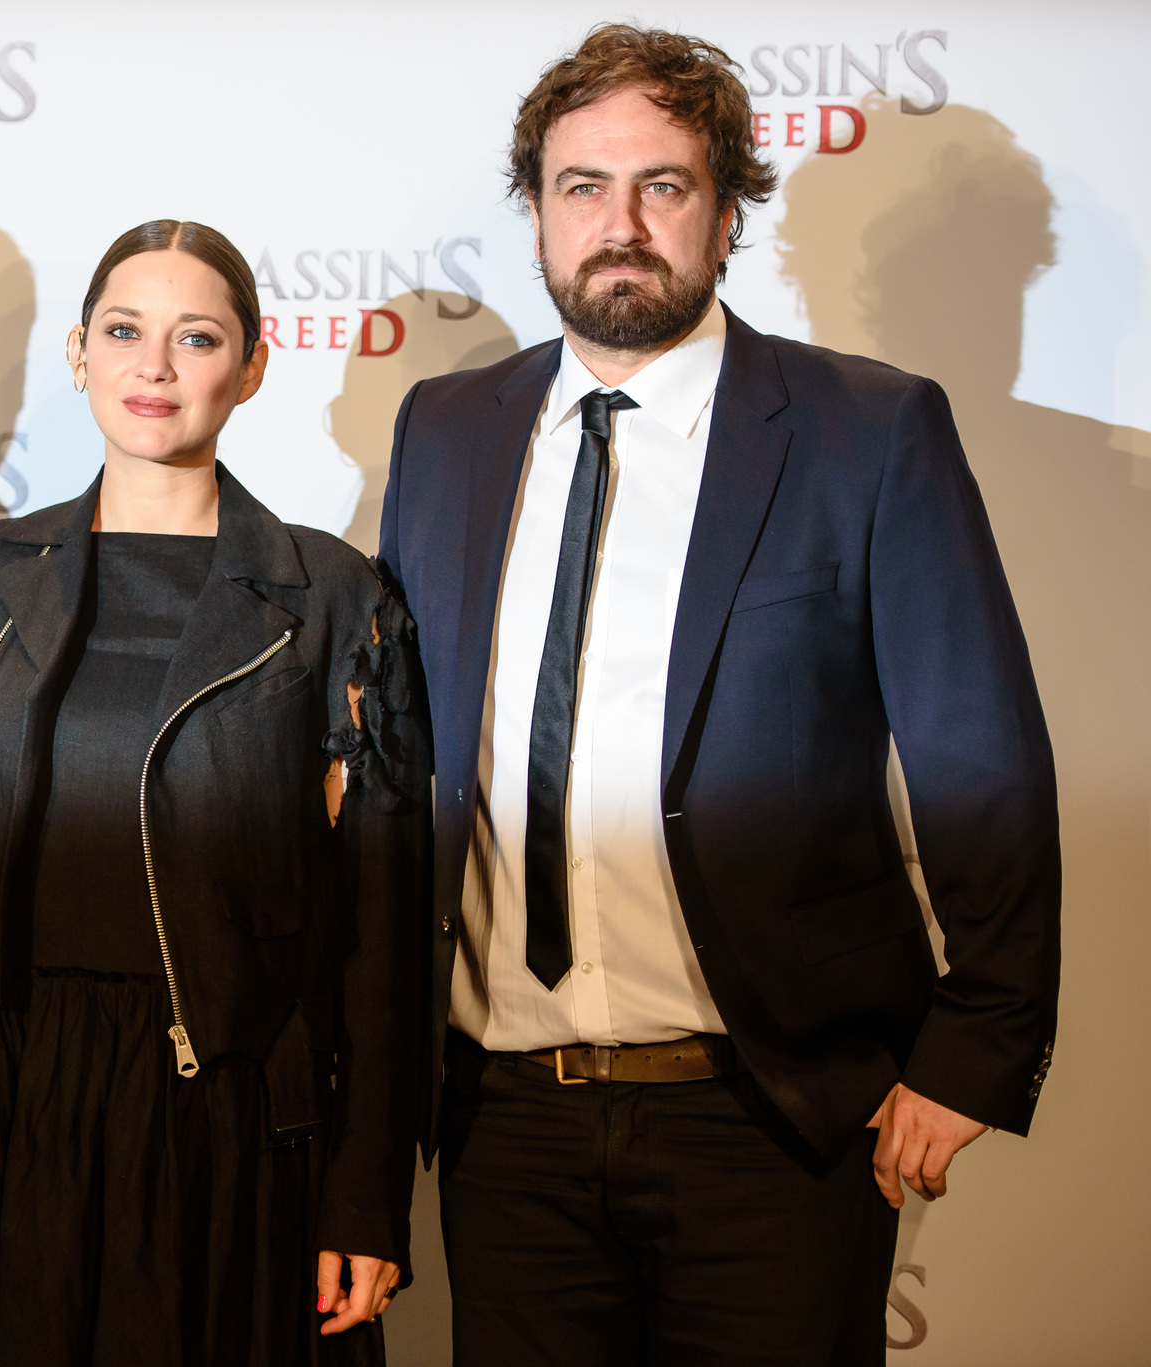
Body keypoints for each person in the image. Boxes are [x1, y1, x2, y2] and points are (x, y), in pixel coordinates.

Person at [377, 26, 1060, 1365]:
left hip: (771, 1115)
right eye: (583, 186)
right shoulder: (444, 429)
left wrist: (978, 1038)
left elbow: (980, 752)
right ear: (533, 211)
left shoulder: (867, 429)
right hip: (503, 1122)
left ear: (729, 208)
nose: (619, 225)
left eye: (665, 186)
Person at [0, 220, 429, 1366]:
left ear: (249, 366)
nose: (153, 366)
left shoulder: (332, 600)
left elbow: (381, 928)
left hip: (229, 1121)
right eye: (123, 330)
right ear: (77, 354)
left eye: (194, 336)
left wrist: (365, 1193)